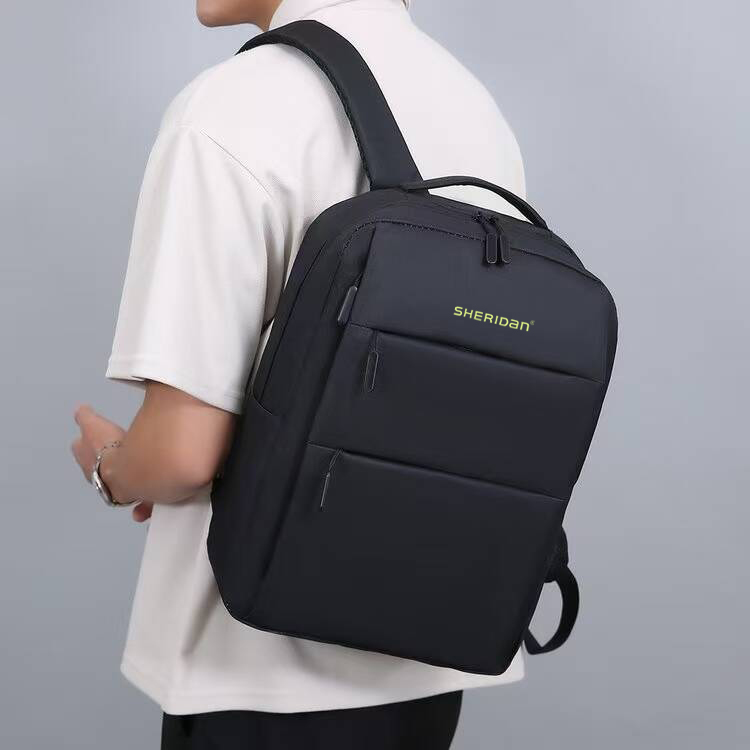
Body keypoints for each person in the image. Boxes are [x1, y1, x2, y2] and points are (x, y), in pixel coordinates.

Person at [71, 0, 528, 747]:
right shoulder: (470, 103)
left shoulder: (234, 106)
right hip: (430, 649)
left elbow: (182, 456)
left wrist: (113, 467)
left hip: (257, 664)